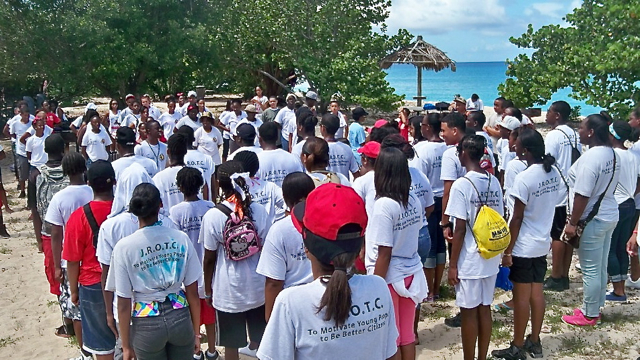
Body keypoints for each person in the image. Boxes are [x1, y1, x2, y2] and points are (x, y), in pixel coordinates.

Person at [257, 183, 398, 360]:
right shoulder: (379, 288)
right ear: (360, 246)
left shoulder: (290, 303)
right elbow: (391, 354)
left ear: (306, 247)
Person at [105, 183, 202, 360]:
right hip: (180, 315)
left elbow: (124, 302)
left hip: (146, 321)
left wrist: (126, 346)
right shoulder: (181, 238)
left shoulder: (124, 248)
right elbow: (193, 294)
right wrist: (196, 333)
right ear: (160, 205)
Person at [491, 129, 562, 360]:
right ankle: (535, 340)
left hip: (523, 245)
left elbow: (517, 218)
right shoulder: (552, 173)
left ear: (526, 150)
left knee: (521, 298)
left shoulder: (524, 178)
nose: (514, 147)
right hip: (542, 242)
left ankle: (517, 345)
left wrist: (507, 250)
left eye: (518, 144)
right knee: (537, 293)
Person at [201, 161, 271, 360]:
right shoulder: (258, 210)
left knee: (231, 345)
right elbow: (266, 248)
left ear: (218, 183)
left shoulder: (213, 215)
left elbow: (209, 258)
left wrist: (208, 290)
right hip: (258, 288)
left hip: (228, 292)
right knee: (264, 341)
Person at [364, 147, 427, 360]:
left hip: (389, 276)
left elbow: (384, 252)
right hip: (411, 272)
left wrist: (375, 288)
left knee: (391, 338)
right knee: (407, 335)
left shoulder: (383, 206)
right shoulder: (413, 200)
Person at [446, 135, 504, 360]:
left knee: (468, 312)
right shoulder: (493, 180)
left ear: (464, 153)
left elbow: (458, 228)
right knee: (485, 308)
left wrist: (453, 265)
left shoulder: (462, 184)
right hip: (490, 255)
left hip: (470, 258)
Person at [561, 114, 620, 327]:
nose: (579, 131)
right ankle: (596, 304)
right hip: (609, 213)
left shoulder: (591, 158)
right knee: (600, 264)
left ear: (591, 132)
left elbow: (582, 194)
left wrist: (572, 223)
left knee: (591, 268)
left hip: (592, 219)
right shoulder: (612, 154)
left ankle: (589, 312)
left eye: (582, 127)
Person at [62, 160, 117, 359]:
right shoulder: (126, 213)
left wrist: (74, 291)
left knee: (102, 346)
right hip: (126, 282)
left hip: (92, 285)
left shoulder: (78, 217)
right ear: (114, 182)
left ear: (89, 183)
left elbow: (72, 259)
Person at [167, 167, 220, 360]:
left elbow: (176, 242)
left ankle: (195, 350)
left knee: (192, 316)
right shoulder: (210, 207)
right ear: (200, 185)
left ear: (180, 187)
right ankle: (212, 350)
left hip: (187, 274)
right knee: (211, 317)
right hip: (209, 273)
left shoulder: (175, 212)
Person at [46, 151, 93, 359]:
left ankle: (84, 353)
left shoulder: (59, 198)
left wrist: (57, 265)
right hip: (94, 258)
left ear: (65, 171)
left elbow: (55, 234)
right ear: (84, 169)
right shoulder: (93, 192)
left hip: (69, 260)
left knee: (77, 310)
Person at [256, 172, 315, 321]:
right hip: (324, 295)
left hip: (293, 305)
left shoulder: (279, 230)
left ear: (286, 199)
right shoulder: (325, 220)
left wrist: (270, 319)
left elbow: (273, 282)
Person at [543, 101, 581, 291]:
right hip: (572, 189)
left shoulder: (554, 135)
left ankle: (555, 276)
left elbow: (548, 161)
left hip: (557, 190)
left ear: (557, 115)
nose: (546, 115)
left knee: (556, 234)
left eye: (549, 112)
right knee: (567, 234)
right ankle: (564, 275)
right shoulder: (575, 134)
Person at [411, 113, 448, 301]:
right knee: (441, 247)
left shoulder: (421, 150)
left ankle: (429, 291)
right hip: (446, 199)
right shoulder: (448, 148)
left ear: (427, 127)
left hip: (430, 200)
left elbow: (419, 179)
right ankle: (437, 287)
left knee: (430, 247)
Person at [606, 121, 640, 302]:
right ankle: (621, 288)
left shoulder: (612, 155)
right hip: (629, 203)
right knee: (621, 248)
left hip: (616, 203)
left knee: (610, 248)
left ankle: (618, 290)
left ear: (612, 135)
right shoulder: (632, 155)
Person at [233, 151, 286, 224]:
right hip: (268, 232)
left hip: (243, 233)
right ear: (257, 168)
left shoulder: (234, 190)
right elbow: (288, 203)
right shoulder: (270, 187)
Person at [257, 122, 304, 187]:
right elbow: (301, 182)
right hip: (289, 196)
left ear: (260, 139)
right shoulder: (292, 159)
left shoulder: (256, 161)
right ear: (277, 137)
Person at [153, 133, 188, 211]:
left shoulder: (158, 178)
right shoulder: (196, 175)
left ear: (168, 151)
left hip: (168, 221)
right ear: (185, 151)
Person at [321, 114, 360, 179]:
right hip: (343, 187)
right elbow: (356, 173)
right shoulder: (347, 148)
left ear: (323, 128)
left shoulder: (319, 148)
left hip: (326, 187)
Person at [181, 126, 215, 201]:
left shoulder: (181, 159)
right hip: (207, 206)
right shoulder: (208, 158)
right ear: (193, 139)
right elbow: (213, 187)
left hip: (187, 204)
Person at [11, 106, 32, 198]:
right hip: (21, 151)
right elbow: (12, 133)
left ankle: (31, 190)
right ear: (21, 115)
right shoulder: (15, 123)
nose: (26, 117)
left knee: (31, 172)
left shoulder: (32, 123)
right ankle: (23, 190)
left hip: (31, 150)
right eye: (25, 115)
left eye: (28, 115)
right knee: (22, 172)